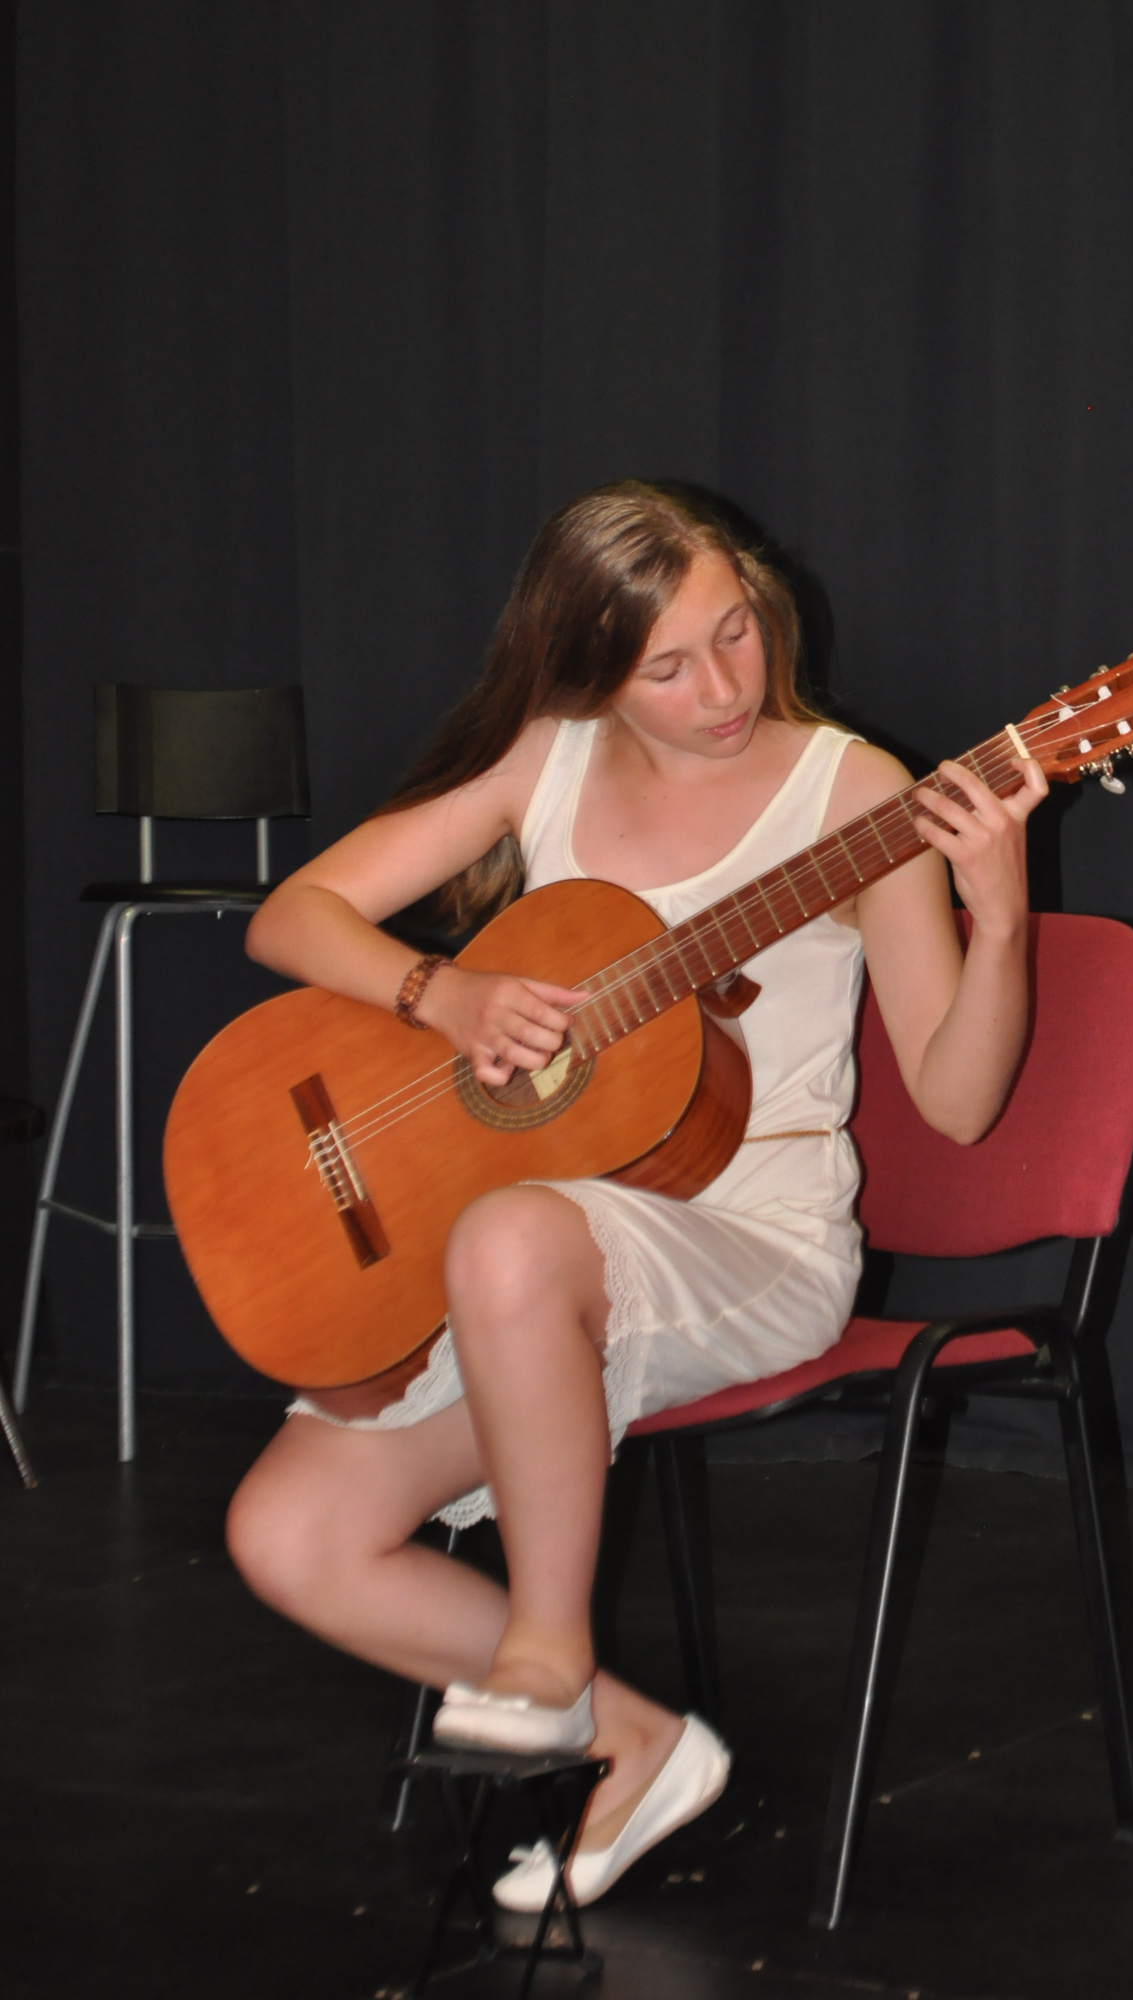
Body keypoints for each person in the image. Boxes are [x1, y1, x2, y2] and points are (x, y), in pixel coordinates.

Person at [226, 480, 1047, 1909]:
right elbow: (291, 916)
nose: (723, 689)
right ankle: (636, 1743)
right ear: (589, 671)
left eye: (736, 632)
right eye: (667, 667)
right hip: (538, 1260)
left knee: (511, 1235)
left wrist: (1004, 914)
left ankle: (546, 1657)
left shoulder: (853, 794)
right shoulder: (542, 762)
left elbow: (961, 1103)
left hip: (753, 1247)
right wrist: (442, 992)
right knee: (287, 1537)